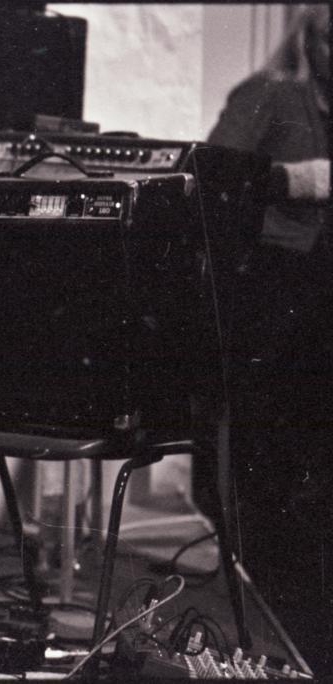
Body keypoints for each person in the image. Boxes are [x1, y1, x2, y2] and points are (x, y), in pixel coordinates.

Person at [206, 5, 330, 675]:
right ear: (309, 37)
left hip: (319, 303)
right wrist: (293, 179)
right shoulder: (269, 95)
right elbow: (211, 179)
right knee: (272, 470)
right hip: (275, 296)